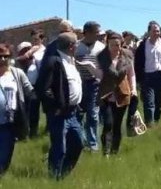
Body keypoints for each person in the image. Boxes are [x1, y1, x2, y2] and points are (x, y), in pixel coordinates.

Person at [36, 33, 84, 180]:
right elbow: (42, 89)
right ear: (71, 46)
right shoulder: (53, 61)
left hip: (73, 112)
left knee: (78, 144)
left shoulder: (70, 60)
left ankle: (63, 175)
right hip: (60, 113)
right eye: (76, 44)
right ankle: (53, 177)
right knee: (59, 148)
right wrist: (56, 106)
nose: (77, 47)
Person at [96, 32, 136, 156]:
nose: (115, 48)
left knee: (117, 125)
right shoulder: (101, 57)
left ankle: (114, 151)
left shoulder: (127, 56)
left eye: (118, 45)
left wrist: (133, 89)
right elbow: (98, 75)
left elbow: (131, 74)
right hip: (106, 95)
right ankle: (106, 152)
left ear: (121, 44)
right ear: (107, 44)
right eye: (112, 45)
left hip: (122, 94)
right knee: (108, 123)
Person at [0, 44, 34, 175]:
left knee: (6, 152)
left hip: (9, 121)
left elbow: (29, 91)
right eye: (0, 57)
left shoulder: (17, 73)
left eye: (6, 56)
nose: (3, 59)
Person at [134, 21, 161, 126]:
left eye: (158, 31)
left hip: (160, 75)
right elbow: (137, 63)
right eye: (154, 31)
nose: (156, 33)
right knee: (149, 102)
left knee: (158, 102)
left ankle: (156, 121)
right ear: (148, 32)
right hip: (147, 76)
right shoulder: (143, 45)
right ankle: (149, 124)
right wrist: (138, 80)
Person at [74, 21, 105, 152]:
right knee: (78, 114)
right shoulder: (76, 47)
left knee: (93, 114)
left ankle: (93, 144)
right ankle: (79, 141)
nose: (98, 34)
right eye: (96, 32)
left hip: (95, 84)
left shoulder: (101, 47)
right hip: (79, 84)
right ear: (87, 32)